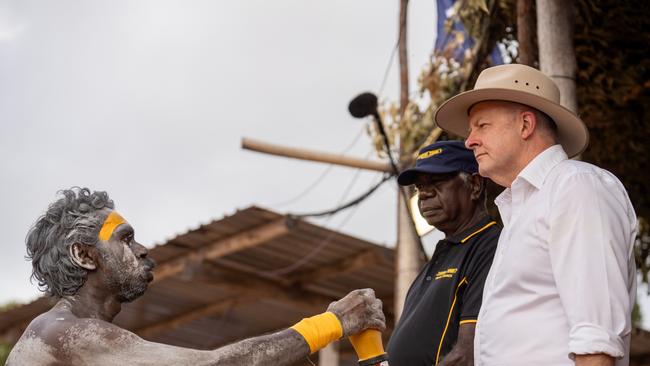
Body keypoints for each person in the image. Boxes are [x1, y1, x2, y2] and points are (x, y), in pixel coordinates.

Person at [6, 188, 386, 366]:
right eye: (126, 239)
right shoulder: (63, 333)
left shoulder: (77, 335)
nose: (142, 250)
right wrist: (333, 323)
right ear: (84, 255)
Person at [435, 64, 637, 365]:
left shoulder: (576, 186)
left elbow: (596, 338)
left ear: (525, 125)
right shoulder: (524, 208)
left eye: (482, 126)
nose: (469, 141)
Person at [386, 140, 500, 366]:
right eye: (419, 187)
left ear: (475, 185)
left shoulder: (490, 245)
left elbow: (468, 353)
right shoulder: (439, 258)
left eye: (437, 181)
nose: (424, 194)